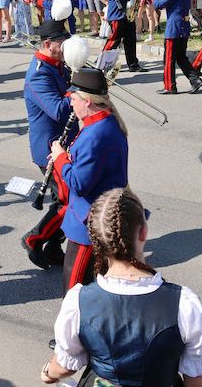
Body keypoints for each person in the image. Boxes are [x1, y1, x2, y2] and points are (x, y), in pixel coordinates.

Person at [41, 187, 202, 386]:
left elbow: (65, 366)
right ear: (143, 232)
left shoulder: (78, 301)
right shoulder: (184, 303)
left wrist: (48, 372)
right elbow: (198, 382)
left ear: (96, 239)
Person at [51, 68, 128, 292]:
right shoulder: (102, 122)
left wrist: (60, 159)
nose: (71, 103)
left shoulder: (96, 133)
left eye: (73, 98)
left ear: (87, 101)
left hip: (88, 223)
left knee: (73, 293)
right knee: (95, 290)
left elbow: (79, 184)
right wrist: (66, 157)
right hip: (98, 216)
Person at [22, 19, 76, 270]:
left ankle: (54, 248)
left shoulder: (57, 64)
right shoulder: (39, 74)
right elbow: (58, 110)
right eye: (62, 42)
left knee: (62, 200)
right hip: (50, 149)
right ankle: (34, 239)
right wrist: (81, 87)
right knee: (70, 201)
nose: (66, 47)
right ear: (48, 44)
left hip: (66, 143)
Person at [150, 0, 202, 94]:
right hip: (183, 26)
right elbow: (172, 1)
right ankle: (195, 80)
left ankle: (169, 86)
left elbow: (158, 5)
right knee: (181, 57)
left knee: (169, 59)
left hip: (174, 28)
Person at [103, 0, 147, 72]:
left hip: (126, 15)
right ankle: (102, 64)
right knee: (113, 42)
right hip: (117, 16)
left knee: (130, 41)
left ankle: (133, 65)